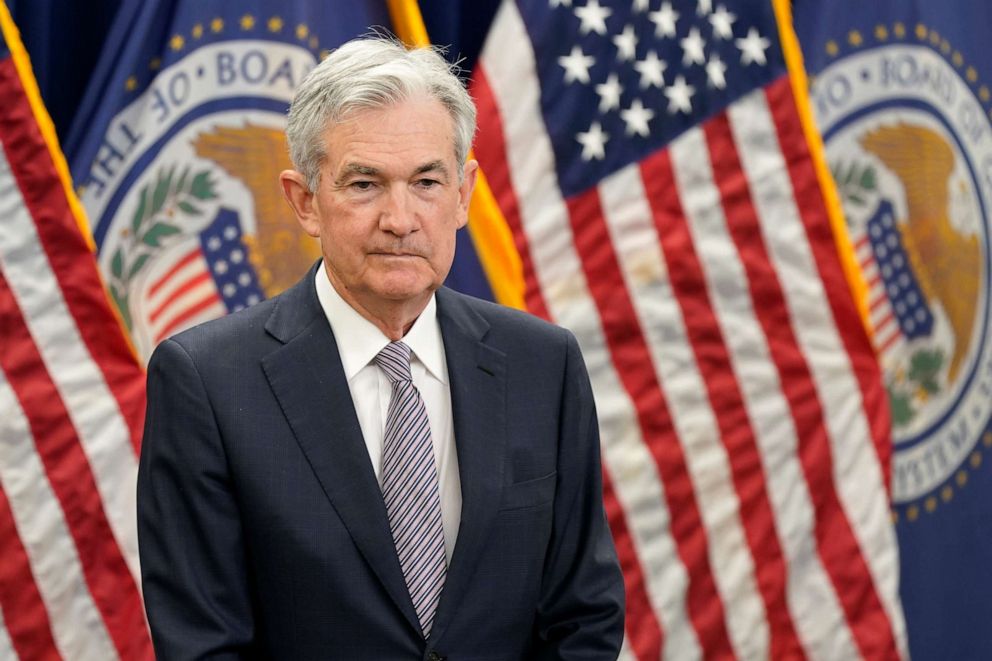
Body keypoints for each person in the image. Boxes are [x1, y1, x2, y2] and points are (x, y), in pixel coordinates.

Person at [137, 36, 624, 659]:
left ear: (465, 193)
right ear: (304, 201)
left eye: (426, 180)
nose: (400, 218)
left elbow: (584, 616)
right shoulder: (206, 382)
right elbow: (203, 645)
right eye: (364, 183)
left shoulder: (543, 364)